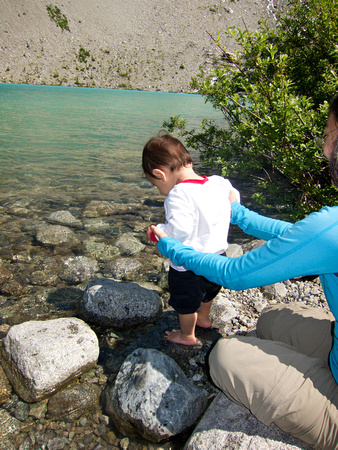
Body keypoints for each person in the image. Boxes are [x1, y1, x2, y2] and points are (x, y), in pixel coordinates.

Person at [150, 96, 338, 448]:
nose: (325, 150)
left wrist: (170, 247)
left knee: (224, 356)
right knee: (272, 319)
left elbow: (235, 274)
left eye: (328, 136)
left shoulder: (333, 227)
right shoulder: (330, 227)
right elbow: (300, 236)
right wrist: (230, 211)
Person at [142, 133, 240, 345]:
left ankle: (186, 335)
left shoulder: (178, 194)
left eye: (157, 185)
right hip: (218, 258)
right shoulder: (218, 183)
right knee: (208, 293)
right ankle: (204, 319)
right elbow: (234, 199)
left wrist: (158, 231)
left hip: (189, 267)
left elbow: (180, 232)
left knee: (185, 303)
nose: (161, 191)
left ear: (160, 174)